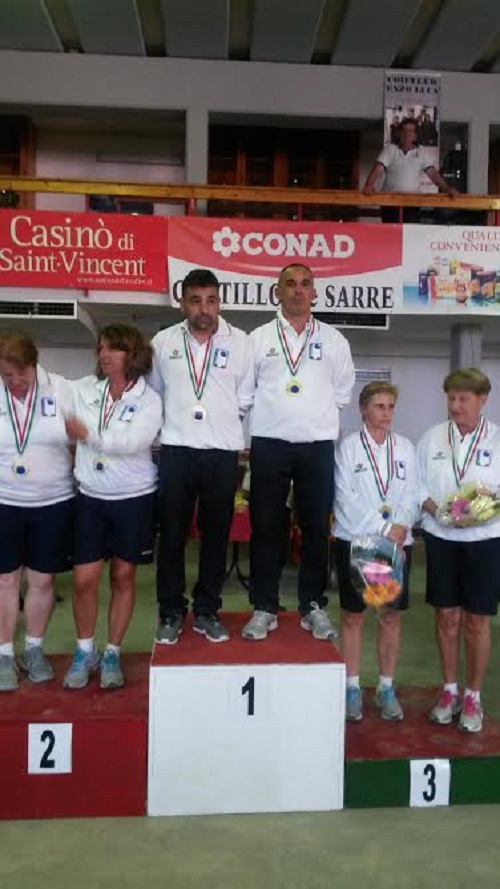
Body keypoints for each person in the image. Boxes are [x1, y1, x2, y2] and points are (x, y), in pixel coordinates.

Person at [242, 263, 355, 641]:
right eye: (289, 284)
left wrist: (311, 419)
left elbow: (342, 393)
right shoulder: (257, 339)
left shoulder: (335, 341)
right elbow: (245, 393)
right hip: (269, 443)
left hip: (317, 446)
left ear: (314, 292)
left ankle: (312, 605)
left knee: (314, 529)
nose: (297, 290)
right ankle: (264, 606)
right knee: (266, 527)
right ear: (277, 292)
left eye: (305, 284)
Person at [150, 268, 254, 645]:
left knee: (215, 536)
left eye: (211, 300)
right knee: (173, 535)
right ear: (183, 303)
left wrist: (220, 426)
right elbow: (155, 393)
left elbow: (246, 397)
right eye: (195, 300)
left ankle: (207, 610)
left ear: (219, 302)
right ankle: (171, 610)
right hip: (175, 451)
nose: (204, 309)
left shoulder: (241, 343)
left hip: (222, 453)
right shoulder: (162, 342)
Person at [63, 324, 162, 690]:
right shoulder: (85, 390)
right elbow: (51, 391)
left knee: (123, 577)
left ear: (131, 355)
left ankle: (112, 653)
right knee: (83, 580)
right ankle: (84, 649)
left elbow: (134, 442)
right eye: (101, 348)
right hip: (90, 497)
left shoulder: (150, 399)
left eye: (114, 349)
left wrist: (88, 433)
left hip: (133, 498)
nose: (104, 355)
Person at [417, 368, 500, 733]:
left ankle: (473, 696)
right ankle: (449, 690)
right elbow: (416, 486)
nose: (455, 405)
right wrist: (439, 513)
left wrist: (482, 512)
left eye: (463, 398)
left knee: (476, 621)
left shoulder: (497, 440)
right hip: (441, 538)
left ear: (482, 400)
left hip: (484, 542)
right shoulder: (432, 438)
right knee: (446, 618)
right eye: (451, 398)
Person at [333, 382, 418, 722]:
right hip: (356, 540)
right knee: (353, 617)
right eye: (380, 406)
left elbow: (413, 492)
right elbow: (344, 497)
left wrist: (400, 526)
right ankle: (352, 687)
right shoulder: (348, 449)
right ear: (363, 410)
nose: (387, 413)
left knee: (390, 616)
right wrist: (384, 528)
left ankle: (385, 687)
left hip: (394, 546)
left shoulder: (406, 449)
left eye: (391, 407)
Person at [0, 331, 75, 691]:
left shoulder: (61, 389)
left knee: (43, 580)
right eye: (6, 376)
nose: (15, 383)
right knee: (5, 579)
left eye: (21, 375)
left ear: (35, 365)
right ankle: (3, 654)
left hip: (53, 501)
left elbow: (83, 435)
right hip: (4, 501)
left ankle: (33, 649)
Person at [363, 118, 458, 222]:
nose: (407, 134)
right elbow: (377, 168)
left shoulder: (422, 152)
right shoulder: (390, 150)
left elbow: (433, 174)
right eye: (404, 131)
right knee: (390, 235)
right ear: (399, 133)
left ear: (415, 135)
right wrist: (369, 185)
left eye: (410, 131)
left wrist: (446, 188)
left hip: (412, 203)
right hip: (390, 202)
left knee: (410, 235)